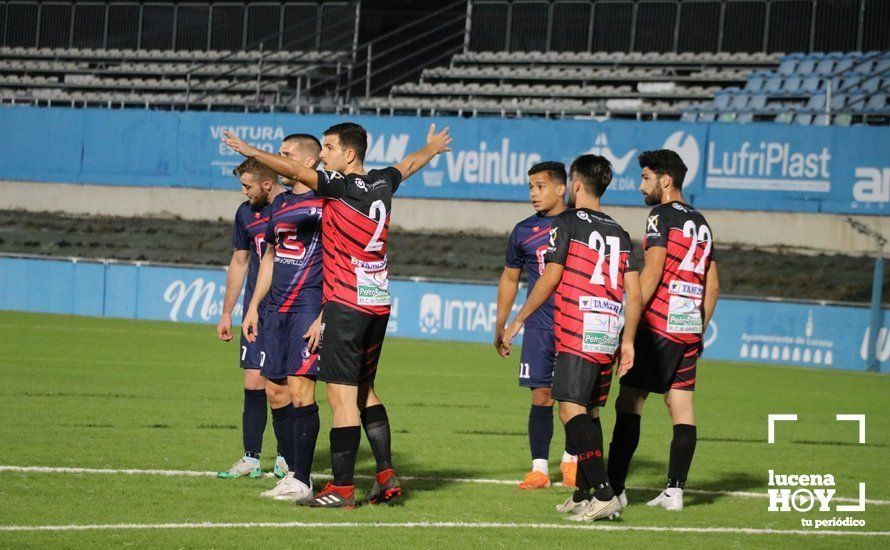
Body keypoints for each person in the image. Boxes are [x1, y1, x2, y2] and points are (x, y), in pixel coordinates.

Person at [223, 121, 452, 508]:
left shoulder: (341, 187)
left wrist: (251, 151)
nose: (324, 155)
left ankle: (342, 490)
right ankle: (385, 473)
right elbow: (410, 164)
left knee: (341, 398)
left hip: (346, 303)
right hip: (378, 301)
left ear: (349, 154)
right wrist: (431, 149)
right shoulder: (382, 182)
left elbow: (295, 171)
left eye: (328, 148)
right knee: (365, 390)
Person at [504, 154, 642, 522]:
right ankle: (583, 493)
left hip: (577, 329)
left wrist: (519, 318)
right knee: (591, 411)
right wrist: (628, 340)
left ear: (576, 185)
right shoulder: (620, 231)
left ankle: (603, 492)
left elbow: (550, 276)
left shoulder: (566, 223)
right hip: (608, 330)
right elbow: (635, 291)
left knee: (569, 409)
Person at [607, 149, 719, 512]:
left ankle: (616, 489)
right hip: (689, 326)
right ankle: (674, 492)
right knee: (682, 406)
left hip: (658, 324)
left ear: (665, 180)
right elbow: (713, 286)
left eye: (645, 178)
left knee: (629, 402)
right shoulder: (702, 222)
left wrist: (631, 323)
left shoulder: (660, 216)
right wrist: (699, 329)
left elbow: (652, 272)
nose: (641, 185)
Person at [241, 134, 325, 502]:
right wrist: (253, 306)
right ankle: (291, 472)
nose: (280, 159)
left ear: (307, 162)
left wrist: (325, 314)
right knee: (275, 392)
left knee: (301, 391)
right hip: (275, 308)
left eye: (286, 155)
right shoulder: (281, 203)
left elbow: (341, 261)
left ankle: (304, 479)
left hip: (308, 306)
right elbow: (269, 257)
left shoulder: (328, 203)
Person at [494, 161, 578, 490]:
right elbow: (510, 278)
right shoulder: (523, 231)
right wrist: (500, 324)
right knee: (540, 395)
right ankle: (540, 469)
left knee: (574, 398)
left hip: (574, 323)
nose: (534, 193)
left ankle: (571, 461)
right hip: (540, 327)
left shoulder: (579, 224)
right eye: (531, 187)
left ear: (562, 188)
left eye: (541, 186)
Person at [216, 157, 287, 479]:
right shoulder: (245, 213)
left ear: (267, 184)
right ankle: (251, 459)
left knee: (284, 387)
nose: (244, 192)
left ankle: (287, 457)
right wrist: (227, 312)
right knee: (253, 381)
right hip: (256, 312)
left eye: (248, 186)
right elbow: (239, 262)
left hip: (289, 309)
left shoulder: (291, 208)